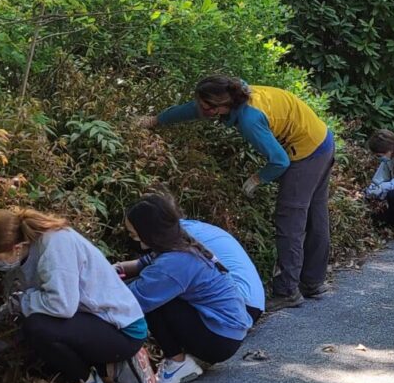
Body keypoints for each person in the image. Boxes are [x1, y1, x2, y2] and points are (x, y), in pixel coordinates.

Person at [140, 76, 333, 310]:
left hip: (306, 151)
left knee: (290, 217)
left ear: (221, 106)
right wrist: (154, 120)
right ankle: (313, 282)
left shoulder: (250, 119)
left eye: (206, 107)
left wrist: (257, 179)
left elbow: (279, 161)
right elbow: (192, 110)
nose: (201, 110)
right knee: (315, 214)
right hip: (322, 139)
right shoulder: (233, 93)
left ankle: (287, 290)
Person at [0, 206, 157, 383]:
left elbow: (61, 306)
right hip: (93, 320)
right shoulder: (21, 257)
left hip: (123, 329)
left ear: (15, 248)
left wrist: (20, 303)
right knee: (40, 352)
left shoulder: (55, 244)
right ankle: (112, 368)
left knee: (38, 327)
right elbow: (19, 307)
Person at [115, 195, 252, 383]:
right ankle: (183, 360)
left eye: (133, 233)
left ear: (147, 231)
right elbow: (144, 264)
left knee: (157, 301)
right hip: (229, 330)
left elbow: (133, 300)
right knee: (153, 287)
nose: (131, 236)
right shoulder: (179, 243)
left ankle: (177, 364)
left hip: (219, 339)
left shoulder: (174, 264)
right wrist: (117, 268)